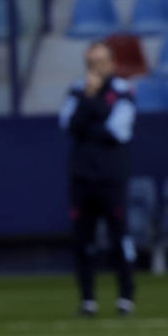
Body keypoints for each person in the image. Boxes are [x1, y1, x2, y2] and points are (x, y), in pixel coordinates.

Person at [59, 41, 137, 318]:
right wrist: (92, 108)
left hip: (111, 178)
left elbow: (117, 130)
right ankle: (87, 299)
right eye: (91, 63)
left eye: (101, 62)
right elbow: (68, 124)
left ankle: (126, 296)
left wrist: (90, 107)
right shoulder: (77, 89)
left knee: (119, 238)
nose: (96, 68)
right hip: (82, 177)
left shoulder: (122, 91)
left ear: (112, 63)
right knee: (83, 241)